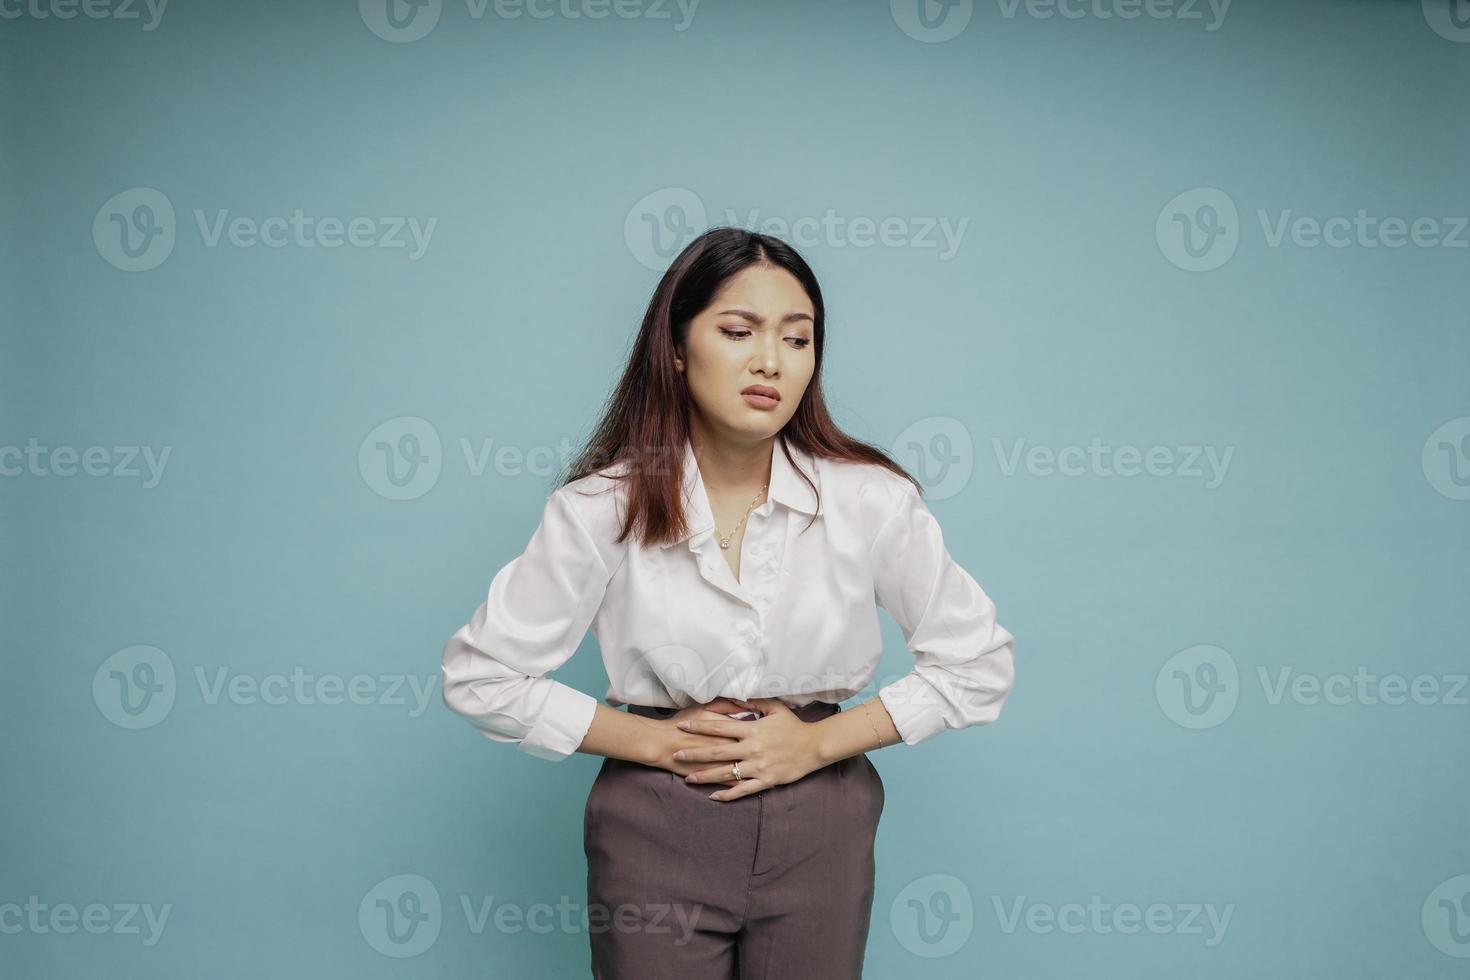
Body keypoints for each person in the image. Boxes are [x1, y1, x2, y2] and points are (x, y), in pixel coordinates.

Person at [440, 227, 1016, 979]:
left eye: (798, 338)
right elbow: (481, 677)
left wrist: (814, 745)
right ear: (676, 346)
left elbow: (978, 663)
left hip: (823, 817)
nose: (771, 361)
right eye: (738, 331)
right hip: (655, 818)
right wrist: (657, 744)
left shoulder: (871, 499)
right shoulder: (599, 508)